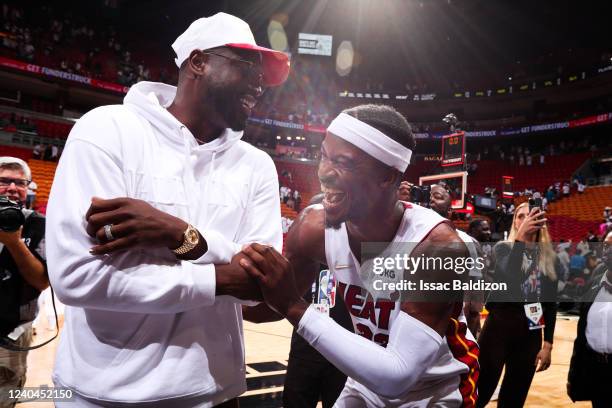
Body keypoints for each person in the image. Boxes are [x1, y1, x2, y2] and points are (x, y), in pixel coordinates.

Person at [45, 13, 289, 407]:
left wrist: (180, 236)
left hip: (216, 393)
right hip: (101, 396)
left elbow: (261, 285)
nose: (260, 85)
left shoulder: (256, 164)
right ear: (198, 62)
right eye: (248, 68)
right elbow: (76, 277)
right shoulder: (106, 130)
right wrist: (220, 277)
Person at [242, 105, 479, 407]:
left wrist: (294, 306)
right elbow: (271, 306)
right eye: (325, 156)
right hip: (366, 382)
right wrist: (210, 299)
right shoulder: (313, 227)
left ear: (387, 177)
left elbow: (398, 375)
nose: (325, 172)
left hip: (433, 391)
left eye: (343, 162)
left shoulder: (438, 247)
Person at [476, 202, 560, 407]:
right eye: (520, 216)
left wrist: (548, 343)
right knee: (482, 390)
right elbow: (510, 277)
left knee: (515, 396)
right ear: (515, 222)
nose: (526, 219)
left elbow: (550, 303)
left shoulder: (550, 257)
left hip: (531, 330)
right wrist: (521, 238)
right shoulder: (503, 248)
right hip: (500, 326)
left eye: (530, 215)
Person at [0, 157, 48, 408]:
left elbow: (41, 281)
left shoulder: (38, 224)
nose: (12, 188)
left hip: (11, 333)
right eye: (4, 181)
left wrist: (14, 242)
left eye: (20, 183)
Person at [429, 184, 485, 337]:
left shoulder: (467, 242)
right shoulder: (408, 236)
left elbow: (474, 306)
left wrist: (472, 339)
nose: (431, 200)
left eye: (438, 197)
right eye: (428, 197)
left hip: (451, 329)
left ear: (449, 211)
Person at [567, 231, 612, 407]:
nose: (608, 250)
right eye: (606, 245)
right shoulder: (596, 277)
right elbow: (582, 334)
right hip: (597, 372)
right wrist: (574, 376)